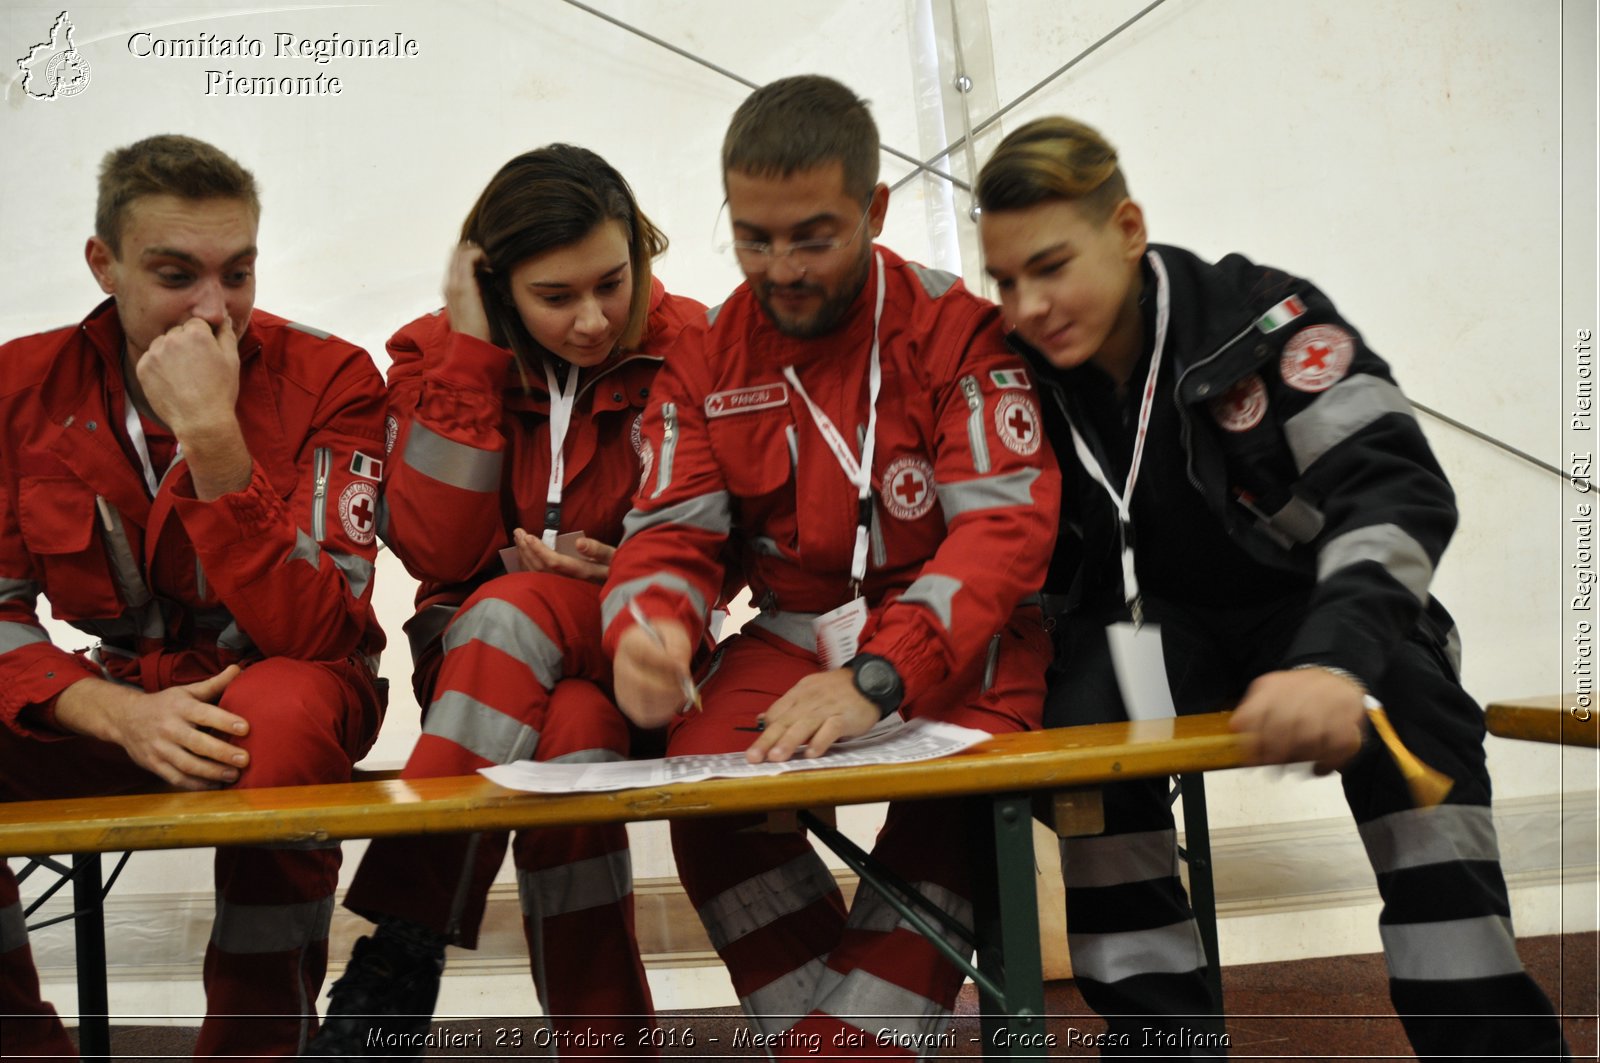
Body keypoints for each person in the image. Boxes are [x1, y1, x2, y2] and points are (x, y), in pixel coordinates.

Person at [975, 116, 1570, 1059]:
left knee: (1410, 703)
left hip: (1315, 610)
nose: (1029, 306)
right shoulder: (1010, 367)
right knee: (1082, 725)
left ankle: (1489, 1042)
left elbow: (1398, 488)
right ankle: (1159, 1042)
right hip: (1152, 635)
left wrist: (1334, 662)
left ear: (1128, 229)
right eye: (1005, 280)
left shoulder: (1265, 321)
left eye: (1052, 266)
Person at [601, 75, 1060, 1056]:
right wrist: (650, 623)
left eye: (813, 236)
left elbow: (1000, 536)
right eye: (753, 237)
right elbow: (671, 533)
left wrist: (878, 675)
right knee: (708, 785)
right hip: (796, 628)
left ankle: (846, 1044)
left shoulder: (955, 330)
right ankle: (846, 1038)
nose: (780, 267)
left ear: (875, 209)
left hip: (958, 635)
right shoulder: (711, 352)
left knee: (964, 793)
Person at [307, 144, 706, 1058]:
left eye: (614, 281)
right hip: (484, 675)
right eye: (555, 296)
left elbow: (735, 540)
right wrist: (472, 358)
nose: (595, 318)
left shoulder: (696, 347)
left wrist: (630, 567)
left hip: (646, 643)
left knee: (512, 608)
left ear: (643, 253)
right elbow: (438, 550)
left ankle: (402, 945)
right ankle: (605, 1040)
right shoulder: (434, 355)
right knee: (567, 723)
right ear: (495, 288)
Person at [0, 134, 388, 1059]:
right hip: (112, 702)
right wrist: (112, 711)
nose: (215, 310)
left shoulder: (333, 376)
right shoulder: (17, 385)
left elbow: (323, 626)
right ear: (104, 264)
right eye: (177, 274)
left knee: (282, 710)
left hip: (284, 688)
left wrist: (213, 436)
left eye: (238, 273)